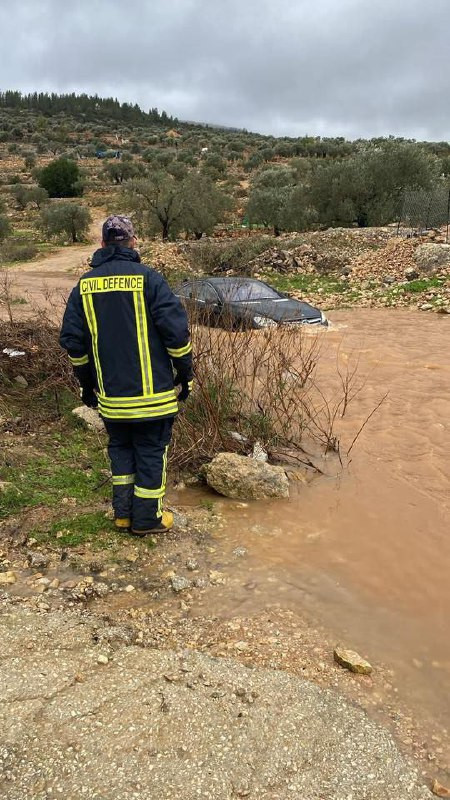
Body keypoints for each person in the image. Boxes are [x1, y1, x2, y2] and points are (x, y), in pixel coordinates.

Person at [60, 215, 192, 536]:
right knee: (151, 452)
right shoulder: (150, 279)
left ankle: (123, 515)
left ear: (102, 244)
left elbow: (74, 344)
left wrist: (87, 386)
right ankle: (147, 519)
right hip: (153, 398)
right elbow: (176, 335)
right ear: (133, 242)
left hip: (112, 399)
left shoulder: (84, 287)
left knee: (121, 449)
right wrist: (185, 374)